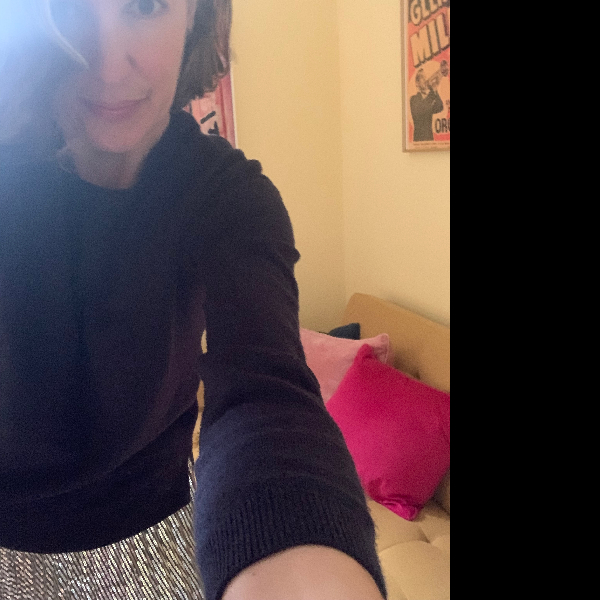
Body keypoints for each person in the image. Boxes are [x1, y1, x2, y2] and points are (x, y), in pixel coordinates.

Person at [0, 1, 387, 599]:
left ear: (196, 16)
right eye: (70, 8)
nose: (108, 64)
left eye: (145, 5)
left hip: (157, 542)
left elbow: (263, 396)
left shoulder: (229, 199)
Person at [410, 67, 444, 142]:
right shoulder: (413, 99)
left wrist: (435, 91)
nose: (426, 79)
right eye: (422, 77)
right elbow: (423, 108)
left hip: (430, 139)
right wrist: (432, 92)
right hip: (419, 140)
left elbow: (440, 107)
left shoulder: (429, 98)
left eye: (426, 77)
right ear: (417, 83)